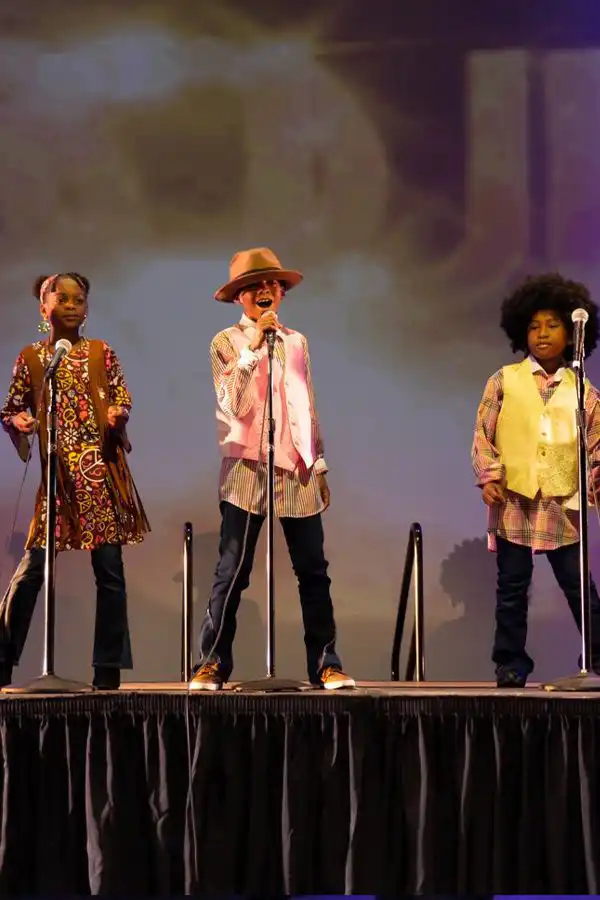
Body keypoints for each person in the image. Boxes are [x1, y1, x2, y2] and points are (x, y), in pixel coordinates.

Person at [190, 247, 354, 691]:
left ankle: (325, 663)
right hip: (247, 467)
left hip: (296, 466)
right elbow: (232, 403)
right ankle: (211, 662)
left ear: (281, 292)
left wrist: (319, 463)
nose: (265, 291)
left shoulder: (296, 342)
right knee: (233, 570)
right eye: (253, 286)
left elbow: (305, 404)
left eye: (272, 284)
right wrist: (254, 348)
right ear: (239, 296)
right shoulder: (226, 342)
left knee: (313, 570)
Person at [0, 273, 150, 689]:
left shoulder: (101, 352)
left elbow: (121, 396)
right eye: (61, 298)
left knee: (110, 572)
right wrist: (18, 420)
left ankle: (107, 671)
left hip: (100, 477)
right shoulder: (33, 359)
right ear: (43, 308)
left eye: (78, 299)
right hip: (58, 480)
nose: (71, 305)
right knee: (31, 571)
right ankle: (3, 661)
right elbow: (11, 408)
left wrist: (118, 414)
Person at [472, 272, 600, 687]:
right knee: (512, 588)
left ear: (571, 333)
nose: (542, 333)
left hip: (562, 503)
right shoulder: (503, 380)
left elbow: (597, 443)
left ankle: (597, 657)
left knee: (578, 586)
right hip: (515, 499)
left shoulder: (582, 390)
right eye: (534, 326)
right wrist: (490, 477)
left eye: (552, 325)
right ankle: (511, 663)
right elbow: (484, 435)